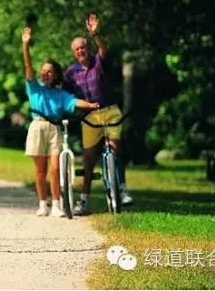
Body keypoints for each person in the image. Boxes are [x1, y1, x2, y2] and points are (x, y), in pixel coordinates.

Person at [21, 26, 99, 217]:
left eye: (49, 72)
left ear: (55, 75)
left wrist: (90, 105)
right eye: (43, 71)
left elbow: (74, 102)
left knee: (55, 168)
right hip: (38, 126)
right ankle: (42, 204)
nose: (45, 74)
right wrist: (25, 45)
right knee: (40, 170)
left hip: (55, 128)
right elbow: (28, 67)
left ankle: (56, 204)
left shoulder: (60, 94)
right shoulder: (34, 88)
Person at [63, 12, 134, 216]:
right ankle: (84, 201)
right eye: (77, 49)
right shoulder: (71, 73)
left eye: (83, 47)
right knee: (88, 159)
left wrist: (95, 34)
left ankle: (122, 189)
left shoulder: (98, 62)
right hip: (89, 117)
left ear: (88, 48)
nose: (80, 51)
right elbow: (65, 96)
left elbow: (103, 49)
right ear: (74, 53)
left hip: (110, 112)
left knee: (115, 150)